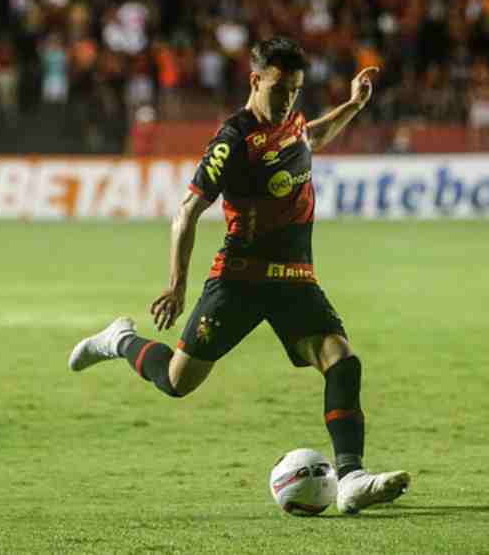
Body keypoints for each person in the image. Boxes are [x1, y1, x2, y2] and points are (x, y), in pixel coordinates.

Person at [67, 37, 410, 514]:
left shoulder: (290, 121)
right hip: (239, 280)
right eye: (279, 88)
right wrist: (177, 284)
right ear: (255, 80)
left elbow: (311, 137)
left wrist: (352, 105)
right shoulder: (233, 138)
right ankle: (119, 340)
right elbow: (186, 213)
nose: (288, 98)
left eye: (294, 89)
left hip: (294, 277)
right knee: (176, 381)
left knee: (342, 360)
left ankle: (351, 478)